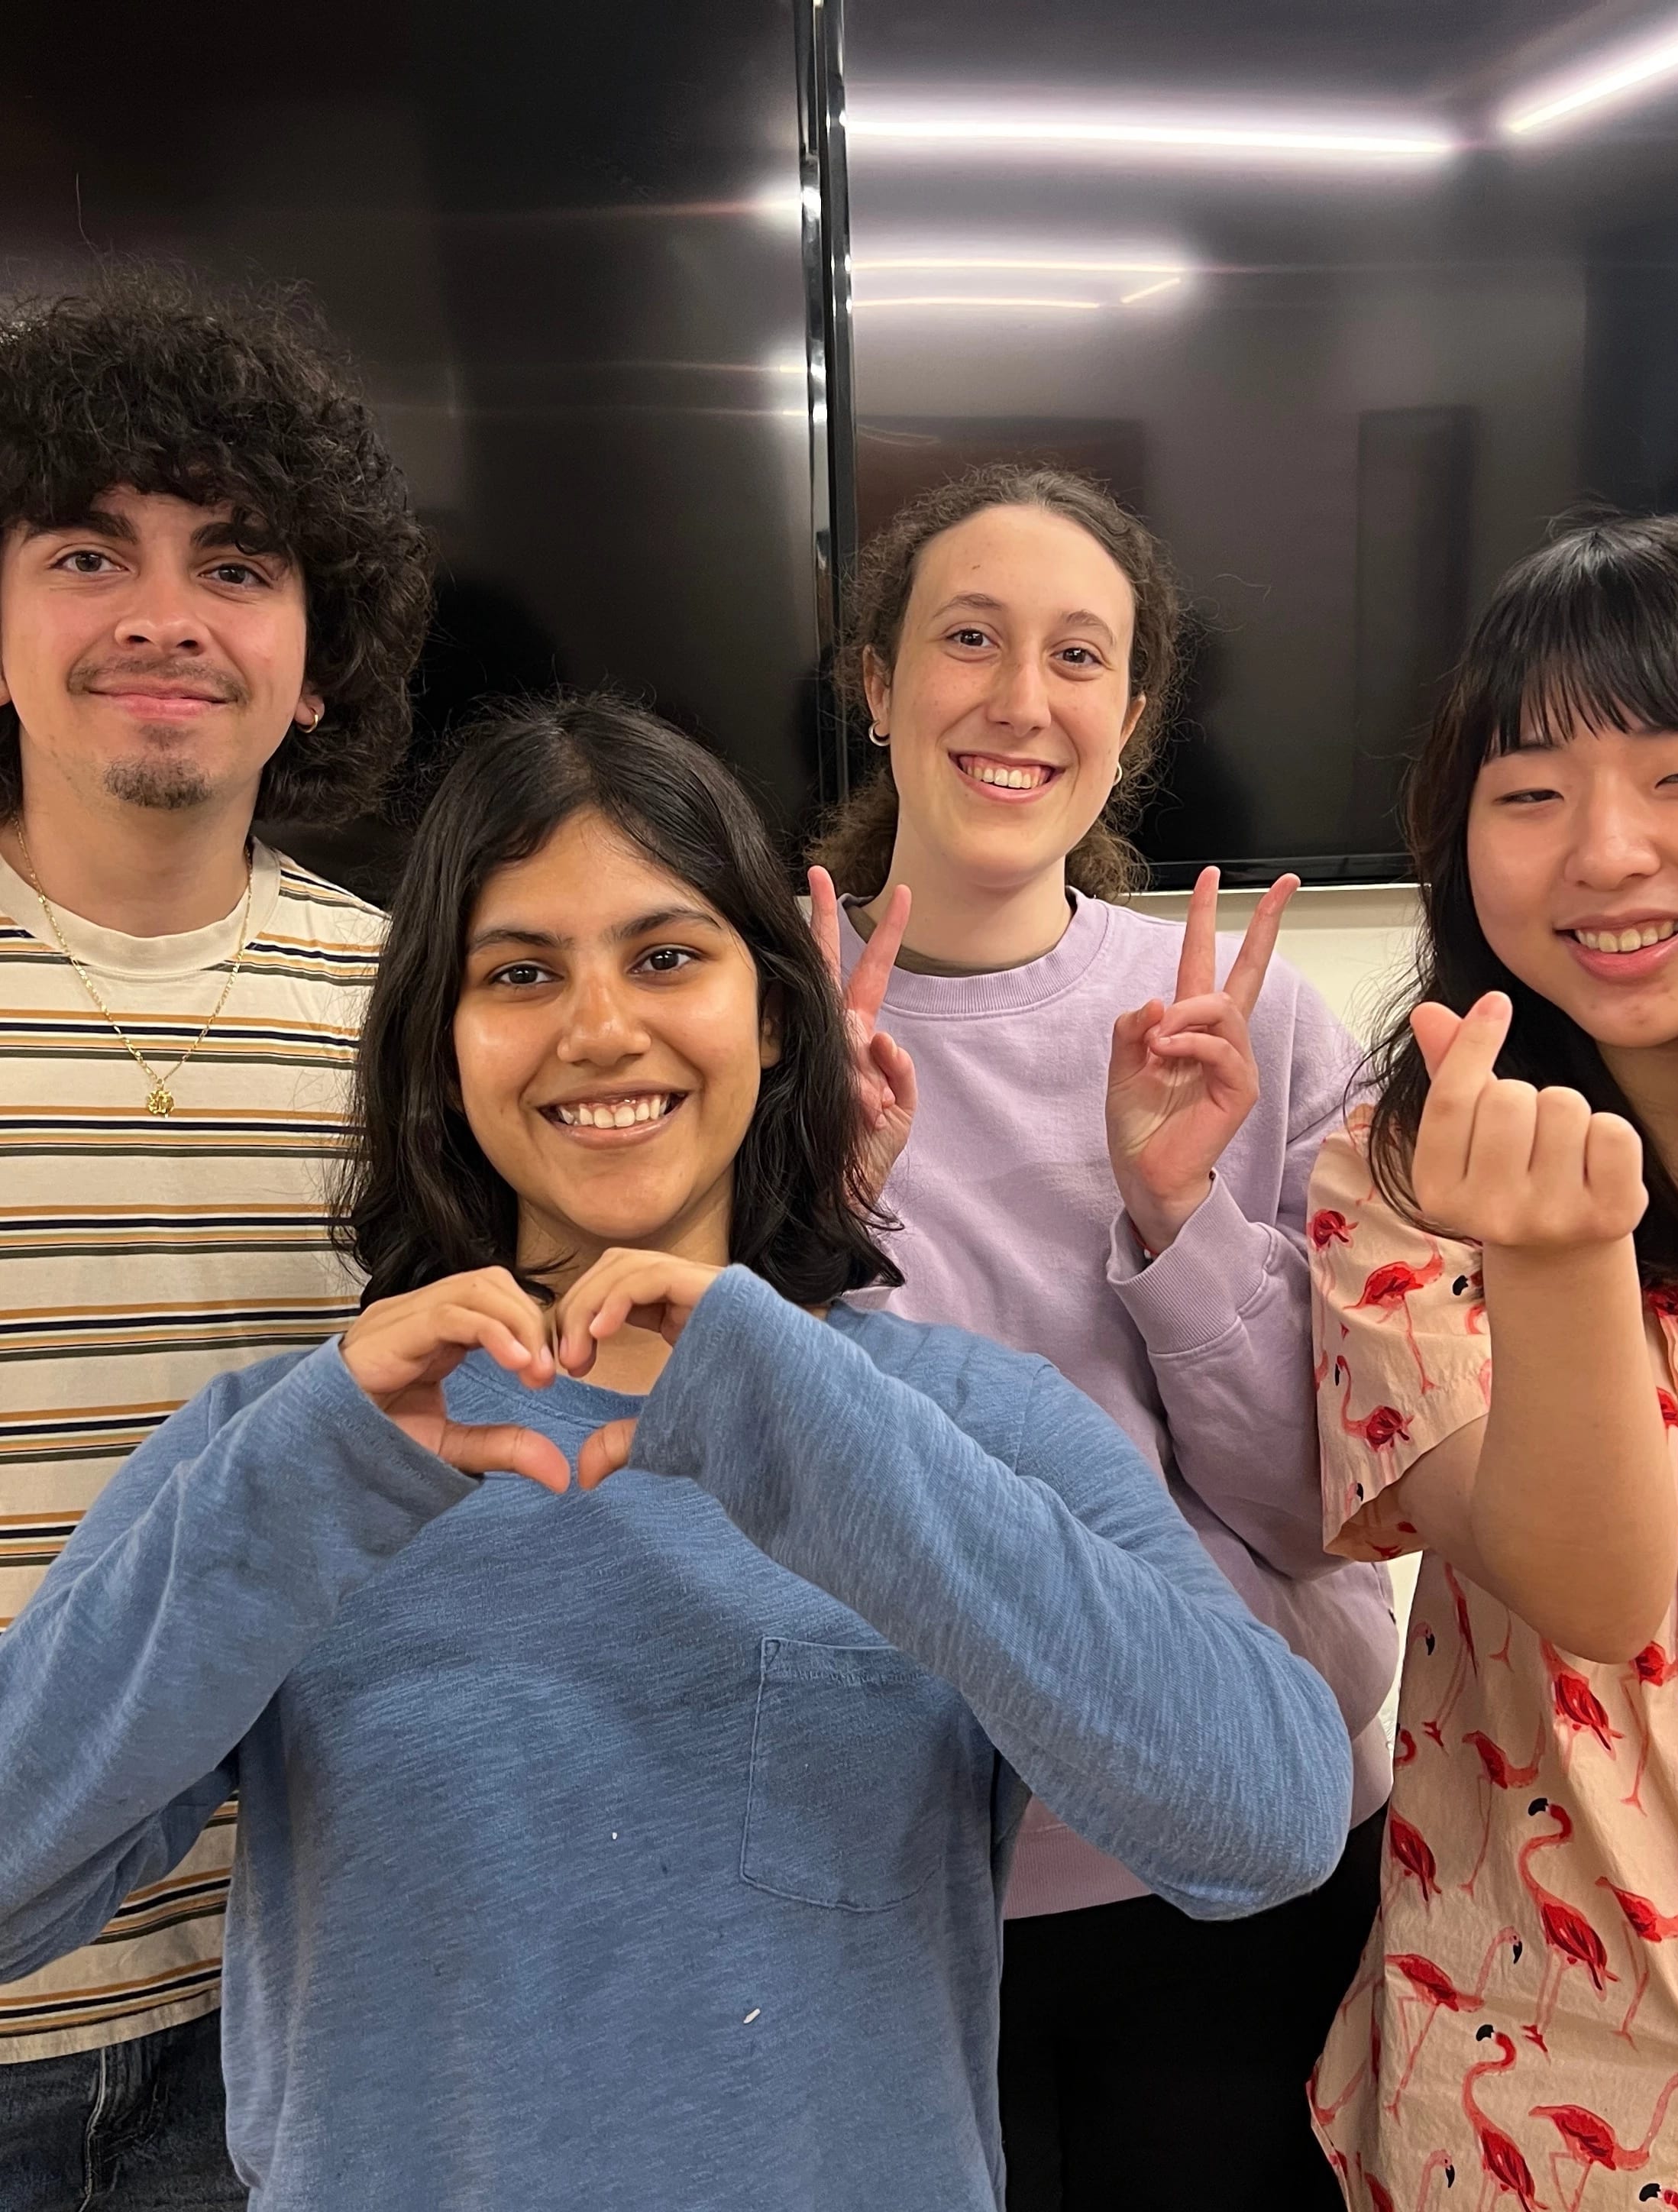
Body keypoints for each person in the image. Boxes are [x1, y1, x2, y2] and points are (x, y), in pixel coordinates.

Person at [0, 694, 1351, 2211]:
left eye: (665, 955)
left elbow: (1266, 1818)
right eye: (519, 971)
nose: (599, 1025)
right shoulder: (290, 1440)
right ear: (441, 1047)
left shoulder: (969, 1418)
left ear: (772, 1017)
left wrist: (797, 1418)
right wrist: (308, 1481)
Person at [807, 464, 1398, 2210]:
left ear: (1131, 717)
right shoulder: (740, 1000)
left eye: (1078, 655)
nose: (1016, 698)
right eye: (966, 637)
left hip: (1235, 1852)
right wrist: (813, 1218)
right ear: (874, 680)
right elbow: (709, 1470)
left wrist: (1175, 1214)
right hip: (872, 1869)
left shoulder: (1246, 1018)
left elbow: (1322, 1506)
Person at [0, 272, 429, 2204]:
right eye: (92, 549)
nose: (165, 615)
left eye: (237, 564)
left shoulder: (427, 1017)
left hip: (294, 1991)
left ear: (319, 652)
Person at [1307, 512, 1678, 2212]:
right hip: (1537, 2106)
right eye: (1529, 792)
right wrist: (1563, 1259)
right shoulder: (1403, 1169)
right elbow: (1586, 1586)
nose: (1602, 850)